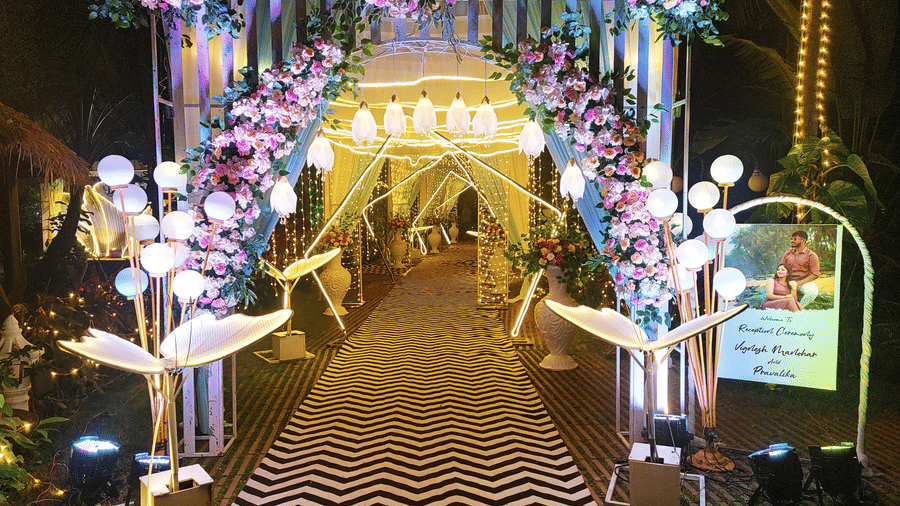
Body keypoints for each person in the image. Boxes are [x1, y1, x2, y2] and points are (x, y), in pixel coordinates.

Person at [779, 230, 820, 308]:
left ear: (803, 240)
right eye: (791, 239)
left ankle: (798, 308)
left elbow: (815, 274)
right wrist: (784, 281)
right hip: (787, 281)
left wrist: (797, 284)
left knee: (812, 292)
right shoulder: (787, 253)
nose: (792, 241)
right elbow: (781, 268)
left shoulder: (811, 255)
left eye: (795, 239)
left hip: (803, 282)